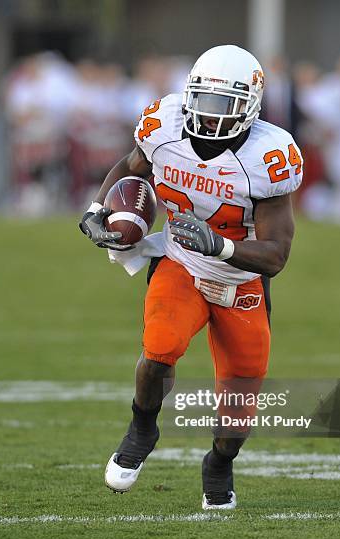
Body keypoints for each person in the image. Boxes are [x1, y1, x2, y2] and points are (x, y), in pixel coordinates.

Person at [79, 45, 303, 510]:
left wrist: (219, 244)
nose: (207, 114)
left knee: (239, 402)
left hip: (240, 280)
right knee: (160, 347)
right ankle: (143, 424)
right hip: (180, 262)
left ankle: (219, 463)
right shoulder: (165, 125)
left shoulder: (270, 155)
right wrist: (100, 211)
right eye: (200, 99)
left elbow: (277, 253)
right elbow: (129, 167)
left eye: (223, 105)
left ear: (251, 108)